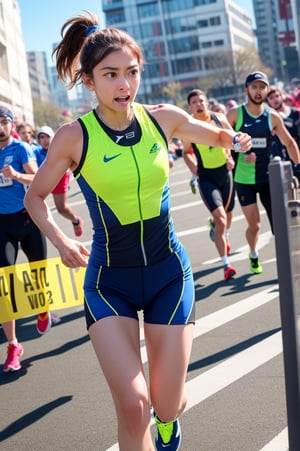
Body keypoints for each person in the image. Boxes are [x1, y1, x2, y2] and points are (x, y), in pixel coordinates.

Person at [24, 11, 251, 451]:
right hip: (110, 282)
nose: (123, 84)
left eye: (131, 72)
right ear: (88, 81)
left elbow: (218, 138)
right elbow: (35, 197)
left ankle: (169, 421)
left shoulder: (162, 118)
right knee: (133, 405)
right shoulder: (73, 137)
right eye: (110, 75)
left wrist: (236, 139)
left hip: (168, 274)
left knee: (167, 405)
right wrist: (62, 239)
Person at [227, 71, 300, 274]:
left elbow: (290, 142)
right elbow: (222, 139)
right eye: (254, 87)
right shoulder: (235, 114)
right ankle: (253, 252)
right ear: (246, 90)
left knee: (279, 225)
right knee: (255, 226)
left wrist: (298, 165)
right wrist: (236, 152)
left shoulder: (272, 116)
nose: (258, 92)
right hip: (244, 179)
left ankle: (287, 268)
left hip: (268, 179)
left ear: (267, 90)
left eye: (262, 87)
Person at [0, 106, 51, 372]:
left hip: (27, 219)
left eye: (3, 122)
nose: (0, 128)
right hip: (2, 225)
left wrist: (17, 175)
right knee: (2, 284)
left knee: (37, 275)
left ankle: (42, 306)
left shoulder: (21, 149)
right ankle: (13, 345)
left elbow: (37, 178)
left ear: (12, 123)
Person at [183, 89, 236, 281]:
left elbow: (232, 139)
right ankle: (226, 265)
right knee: (221, 218)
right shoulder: (189, 126)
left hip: (225, 173)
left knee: (228, 216)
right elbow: (186, 152)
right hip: (206, 177)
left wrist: (230, 156)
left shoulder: (219, 118)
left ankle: (221, 232)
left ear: (207, 102)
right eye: (194, 102)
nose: (198, 104)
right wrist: (194, 169)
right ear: (190, 107)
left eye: (201, 101)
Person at [35, 126, 84, 237]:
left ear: (52, 137)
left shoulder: (59, 149)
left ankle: (76, 221)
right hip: (45, 179)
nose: (44, 140)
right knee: (36, 202)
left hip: (60, 178)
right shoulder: (37, 151)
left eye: (47, 136)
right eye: (41, 137)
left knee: (61, 208)